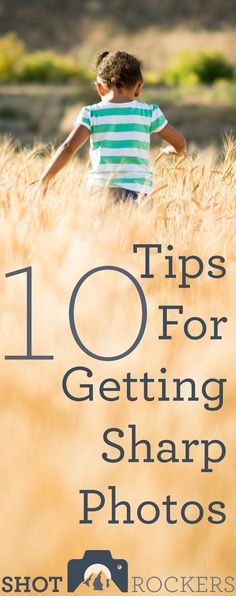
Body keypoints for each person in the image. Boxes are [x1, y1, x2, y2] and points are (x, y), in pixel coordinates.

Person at [35, 51, 186, 202]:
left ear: (99, 87)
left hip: (99, 194)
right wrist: (174, 151)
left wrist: (44, 179)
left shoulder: (91, 113)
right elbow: (180, 142)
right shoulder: (150, 113)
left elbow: (68, 147)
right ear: (139, 87)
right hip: (137, 195)